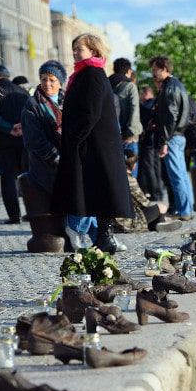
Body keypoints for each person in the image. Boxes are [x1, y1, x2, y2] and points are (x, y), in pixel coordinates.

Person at [52, 34, 134, 254]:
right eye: (74, 49)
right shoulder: (82, 74)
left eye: (80, 49)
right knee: (96, 189)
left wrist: (75, 138)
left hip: (96, 143)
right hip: (91, 143)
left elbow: (91, 111)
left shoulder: (93, 74)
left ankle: (104, 237)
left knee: (100, 189)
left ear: (94, 51)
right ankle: (103, 237)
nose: (76, 53)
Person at [20, 60, 96, 248]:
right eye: (44, 79)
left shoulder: (68, 100)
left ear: (60, 82)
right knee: (78, 188)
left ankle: (94, 235)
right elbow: (34, 140)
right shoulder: (33, 104)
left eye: (52, 80)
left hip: (68, 160)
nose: (47, 84)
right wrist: (58, 159)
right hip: (45, 166)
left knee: (93, 187)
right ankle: (76, 233)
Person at [149, 56, 194, 220]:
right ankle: (187, 209)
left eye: (155, 70)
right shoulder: (177, 85)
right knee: (181, 174)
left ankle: (184, 211)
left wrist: (164, 141)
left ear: (164, 69)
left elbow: (169, 117)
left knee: (177, 176)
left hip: (172, 137)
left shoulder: (169, 88)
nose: (153, 73)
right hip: (178, 135)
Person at [0, 64, 29, 224]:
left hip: (4, 141)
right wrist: (21, 126)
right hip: (24, 140)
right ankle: (31, 211)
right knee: (27, 176)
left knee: (8, 179)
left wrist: (10, 128)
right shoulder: (23, 91)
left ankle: (14, 215)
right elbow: (32, 111)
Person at [114, 151, 181, 233]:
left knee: (155, 211)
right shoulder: (129, 179)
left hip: (117, 222)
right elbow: (144, 202)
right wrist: (158, 210)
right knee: (161, 207)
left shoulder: (116, 178)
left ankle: (158, 224)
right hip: (128, 222)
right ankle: (161, 222)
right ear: (133, 164)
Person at [110, 58, 141, 173]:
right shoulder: (130, 86)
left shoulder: (107, 86)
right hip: (129, 138)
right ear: (128, 71)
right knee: (132, 173)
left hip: (113, 137)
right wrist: (131, 133)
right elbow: (134, 110)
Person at [137, 85, 165, 201]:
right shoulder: (158, 103)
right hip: (157, 140)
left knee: (149, 167)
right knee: (156, 167)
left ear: (145, 94)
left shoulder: (147, 105)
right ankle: (158, 192)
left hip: (149, 140)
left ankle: (154, 192)